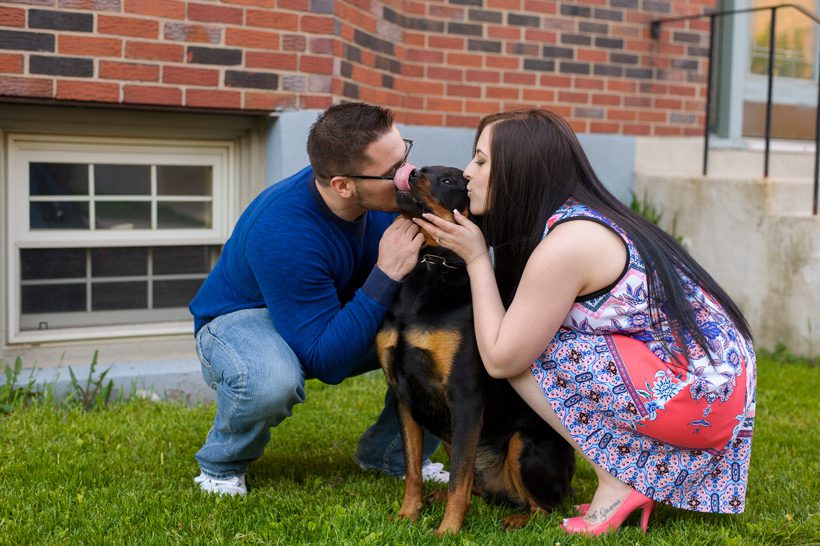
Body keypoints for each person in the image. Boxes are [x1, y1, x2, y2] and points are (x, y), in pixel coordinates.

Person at [415, 109, 756, 535]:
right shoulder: (578, 217)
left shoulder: (567, 244)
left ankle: (619, 481)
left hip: (699, 397)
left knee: (521, 348)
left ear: (520, 169)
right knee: (528, 333)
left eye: (481, 161)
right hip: (713, 387)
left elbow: (502, 360)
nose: (467, 173)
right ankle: (630, 474)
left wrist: (477, 259)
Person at [188, 102, 447, 496]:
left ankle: (391, 454)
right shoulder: (283, 231)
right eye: (393, 173)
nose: (408, 178)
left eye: (405, 158)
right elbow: (328, 363)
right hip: (241, 321)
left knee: (441, 335)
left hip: (325, 311)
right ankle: (221, 466)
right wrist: (387, 272)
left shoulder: (379, 199)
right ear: (342, 184)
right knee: (271, 380)